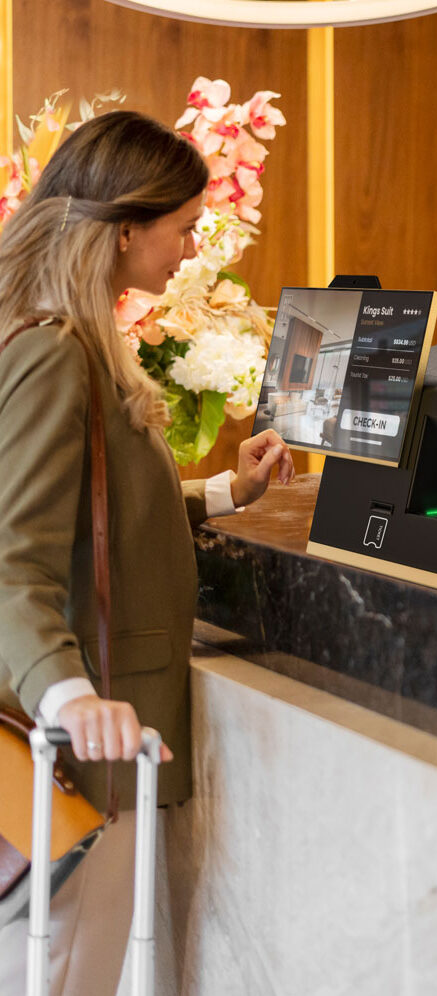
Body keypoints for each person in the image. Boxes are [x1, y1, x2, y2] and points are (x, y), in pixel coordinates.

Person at [0, 110, 294, 995]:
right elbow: (14, 559)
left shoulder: (69, 339)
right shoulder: (58, 352)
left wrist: (221, 494)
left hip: (94, 737)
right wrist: (72, 697)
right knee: (72, 973)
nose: (189, 252)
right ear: (126, 227)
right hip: (86, 747)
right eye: (184, 230)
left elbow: (102, 518)